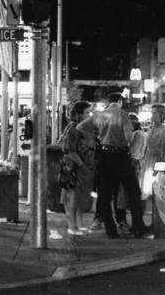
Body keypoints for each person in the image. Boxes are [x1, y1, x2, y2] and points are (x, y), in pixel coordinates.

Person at [77, 92, 145, 239]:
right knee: (133, 192)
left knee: (105, 195)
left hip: (104, 156)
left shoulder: (99, 115)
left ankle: (111, 230)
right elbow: (128, 137)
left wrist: (97, 135)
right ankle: (138, 226)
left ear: (109, 102)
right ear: (119, 101)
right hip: (121, 156)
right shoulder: (122, 114)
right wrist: (130, 140)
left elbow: (80, 127)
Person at [59, 101, 95, 235]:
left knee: (81, 197)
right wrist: (82, 165)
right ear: (79, 114)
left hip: (84, 167)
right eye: (86, 112)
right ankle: (72, 226)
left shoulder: (85, 128)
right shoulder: (73, 128)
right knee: (71, 196)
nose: (89, 115)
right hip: (73, 167)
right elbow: (68, 149)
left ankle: (80, 224)